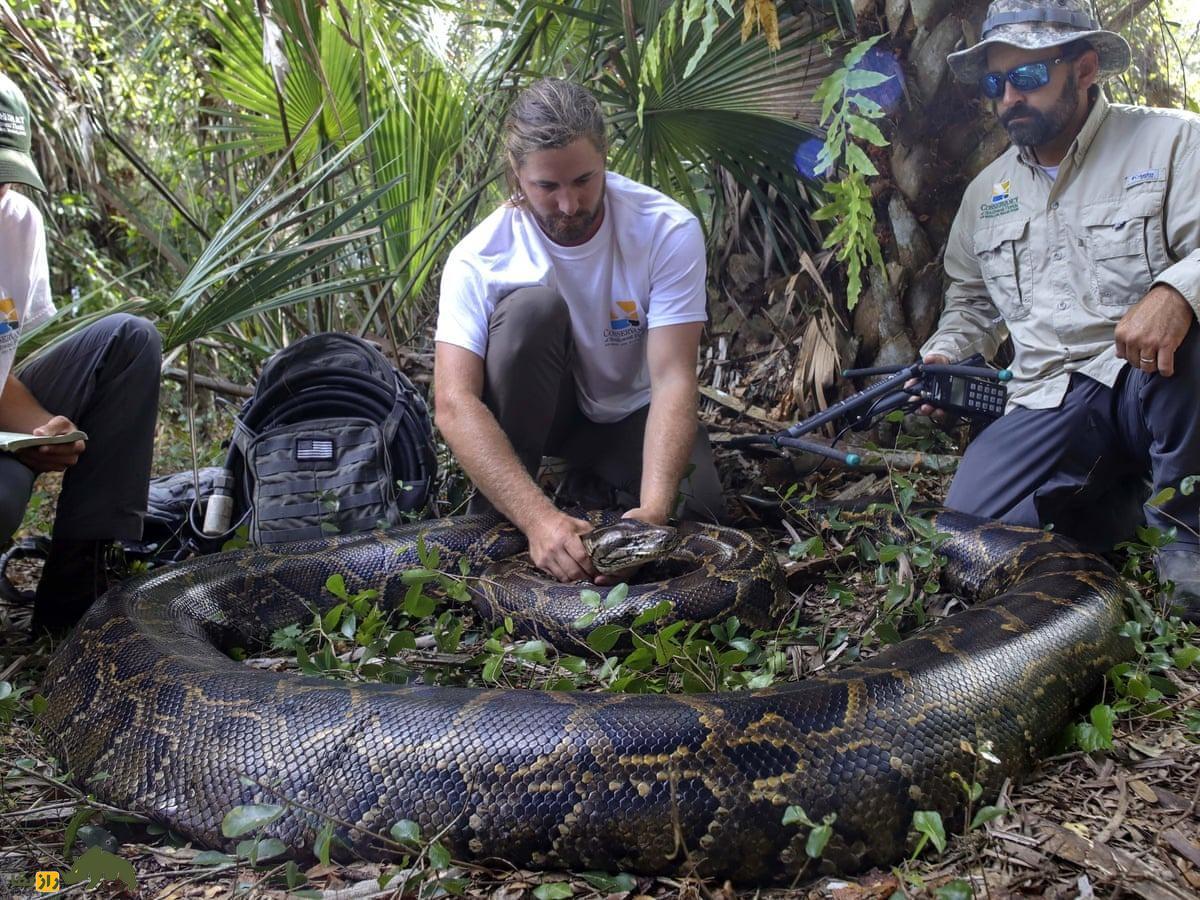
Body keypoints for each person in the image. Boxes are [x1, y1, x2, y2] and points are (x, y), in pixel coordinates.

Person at [917, 0, 1200, 620]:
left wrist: (1176, 292)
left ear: (1085, 68)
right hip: (1045, 396)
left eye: (1028, 78)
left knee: (1192, 343)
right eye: (995, 83)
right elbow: (970, 302)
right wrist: (948, 351)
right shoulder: (986, 194)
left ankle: (1190, 560)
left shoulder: (1173, 141)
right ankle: (1115, 508)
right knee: (961, 544)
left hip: (1148, 376)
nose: (1008, 99)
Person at [434, 78, 722, 584]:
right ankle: (499, 518)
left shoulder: (666, 229)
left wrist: (652, 514)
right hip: (546, 419)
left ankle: (593, 482)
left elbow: (675, 378)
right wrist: (537, 519)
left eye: (584, 180)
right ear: (516, 176)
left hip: (630, 412)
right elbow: (454, 402)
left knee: (701, 513)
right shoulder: (478, 257)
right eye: (547, 187)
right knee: (530, 314)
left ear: (605, 157)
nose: (569, 205)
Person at [0, 74, 161, 634]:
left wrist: (42, 428)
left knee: (130, 340)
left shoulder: (16, 222)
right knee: (2, 492)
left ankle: (77, 591)